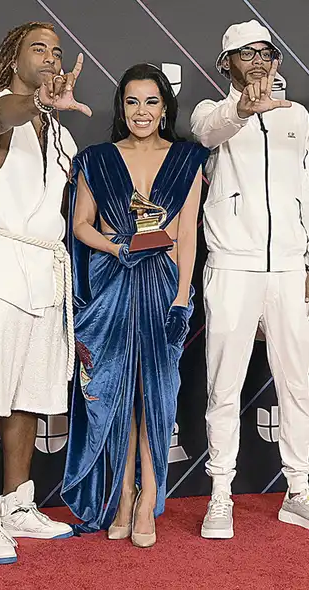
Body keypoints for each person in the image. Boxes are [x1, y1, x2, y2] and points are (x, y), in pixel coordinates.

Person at [0, 21, 86, 565]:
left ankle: (17, 505)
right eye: (39, 48)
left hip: (43, 272)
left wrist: (45, 109)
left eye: (57, 50)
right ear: (13, 59)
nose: (52, 58)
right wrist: (31, 102)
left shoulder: (58, 132)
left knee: (27, 396)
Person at [61, 64, 208, 548]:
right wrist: (116, 247)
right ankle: (123, 494)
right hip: (110, 287)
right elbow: (82, 224)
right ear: (120, 106)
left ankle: (149, 498)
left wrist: (184, 294)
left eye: (151, 102)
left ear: (165, 107)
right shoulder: (96, 159)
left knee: (155, 397)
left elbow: (187, 233)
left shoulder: (188, 158)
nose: (141, 112)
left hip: (164, 287)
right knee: (117, 396)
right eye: (132, 102)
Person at [190, 19, 309, 539]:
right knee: (225, 384)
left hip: (287, 265)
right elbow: (209, 130)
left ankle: (299, 490)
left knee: (298, 384)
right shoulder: (211, 113)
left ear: (277, 61)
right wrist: (243, 109)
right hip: (233, 265)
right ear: (227, 66)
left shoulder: (298, 117)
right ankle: (220, 495)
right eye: (245, 54)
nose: (257, 61)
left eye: (265, 53)